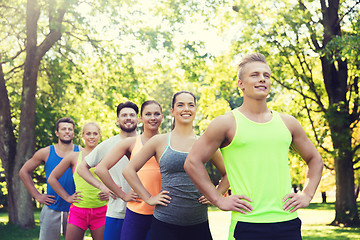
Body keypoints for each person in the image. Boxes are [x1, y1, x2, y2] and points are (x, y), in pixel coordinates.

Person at [184, 53, 324, 240]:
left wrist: (307, 194)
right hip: (247, 225)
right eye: (255, 75)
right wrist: (218, 200)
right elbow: (192, 162)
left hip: (288, 222)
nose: (262, 79)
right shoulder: (226, 123)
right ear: (241, 83)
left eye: (266, 75)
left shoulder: (288, 123)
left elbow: (315, 159)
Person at [122, 91, 229, 240]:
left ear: (195, 110)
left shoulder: (205, 143)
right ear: (172, 111)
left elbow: (228, 173)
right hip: (164, 223)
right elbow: (129, 170)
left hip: (198, 223)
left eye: (190, 105)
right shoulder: (159, 141)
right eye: (180, 105)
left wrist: (216, 195)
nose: (186, 109)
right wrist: (148, 198)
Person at [95, 100, 163, 240]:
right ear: (140, 118)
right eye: (148, 114)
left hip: (162, 212)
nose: (153, 118)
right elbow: (100, 169)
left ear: (162, 116)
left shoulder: (169, 141)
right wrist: (122, 195)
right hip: (136, 212)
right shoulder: (130, 143)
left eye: (157, 114)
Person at [76, 101, 139, 240]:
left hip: (143, 209)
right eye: (124, 115)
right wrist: (101, 186)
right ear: (117, 120)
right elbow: (81, 168)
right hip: (116, 210)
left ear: (138, 119)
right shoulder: (107, 145)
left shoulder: (147, 142)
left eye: (132, 115)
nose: (128, 118)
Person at [19, 117, 80, 240]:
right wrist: (37, 195)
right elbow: (23, 172)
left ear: (73, 133)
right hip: (52, 206)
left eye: (70, 129)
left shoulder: (81, 152)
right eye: (63, 129)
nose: (67, 131)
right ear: (57, 133)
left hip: (75, 208)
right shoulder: (45, 152)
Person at [48, 122, 108, 240]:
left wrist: (110, 192)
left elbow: (118, 177)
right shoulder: (73, 156)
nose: (91, 136)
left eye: (95, 133)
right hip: (78, 211)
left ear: (99, 136)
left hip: (101, 211)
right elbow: (52, 178)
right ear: (83, 136)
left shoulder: (107, 156)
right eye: (88, 133)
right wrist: (67, 197)